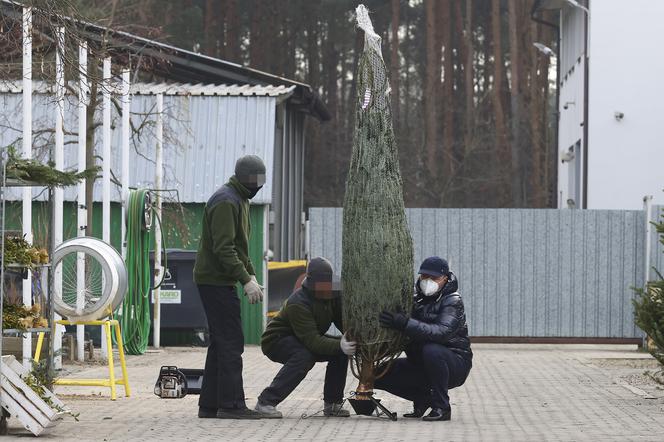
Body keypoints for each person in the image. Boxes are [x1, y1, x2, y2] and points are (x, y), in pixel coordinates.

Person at [193, 155, 267, 419]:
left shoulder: (240, 199)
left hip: (218, 279)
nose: (259, 186)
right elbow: (223, 249)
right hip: (214, 280)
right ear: (246, 179)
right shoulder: (226, 201)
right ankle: (231, 405)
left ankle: (209, 405)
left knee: (221, 342)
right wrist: (245, 280)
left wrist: (252, 275)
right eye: (256, 181)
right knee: (231, 343)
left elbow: (240, 247)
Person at [254, 257, 357, 418]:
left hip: (304, 338)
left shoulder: (334, 292)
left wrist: (353, 339)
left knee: (340, 353)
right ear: (311, 282)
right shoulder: (298, 303)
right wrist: (340, 345)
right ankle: (265, 403)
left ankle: (333, 404)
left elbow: (342, 322)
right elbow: (313, 342)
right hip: (277, 340)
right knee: (303, 356)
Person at [376, 256, 472, 421]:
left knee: (432, 349)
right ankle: (422, 399)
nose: (427, 281)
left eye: (434, 278)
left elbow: (441, 332)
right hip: (422, 363)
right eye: (424, 277)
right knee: (377, 374)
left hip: (454, 363)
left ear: (445, 278)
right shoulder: (415, 300)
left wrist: (405, 323)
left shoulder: (452, 301)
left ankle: (441, 407)